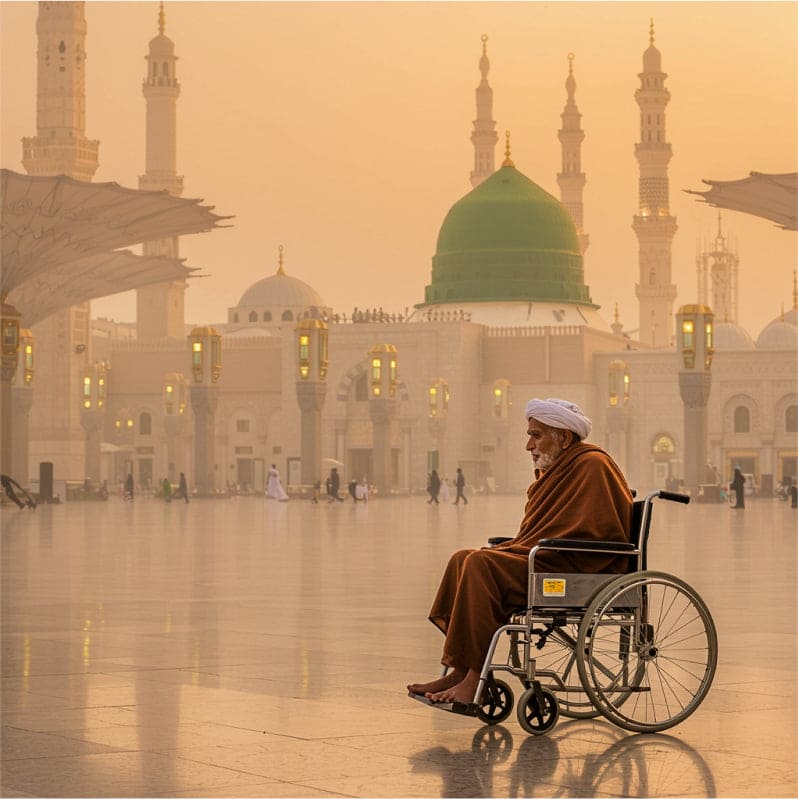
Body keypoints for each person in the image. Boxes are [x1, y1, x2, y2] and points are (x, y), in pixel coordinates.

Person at [407, 398, 633, 705]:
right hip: (548, 557)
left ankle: (476, 679)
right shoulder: (559, 470)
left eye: (537, 435)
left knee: (480, 564)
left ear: (564, 438)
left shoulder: (593, 465)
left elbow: (598, 531)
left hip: (575, 567)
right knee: (463, 558)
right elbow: (542, 530)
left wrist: (534, 548)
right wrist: (521, 547)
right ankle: (460, 668)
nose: (529, 445)